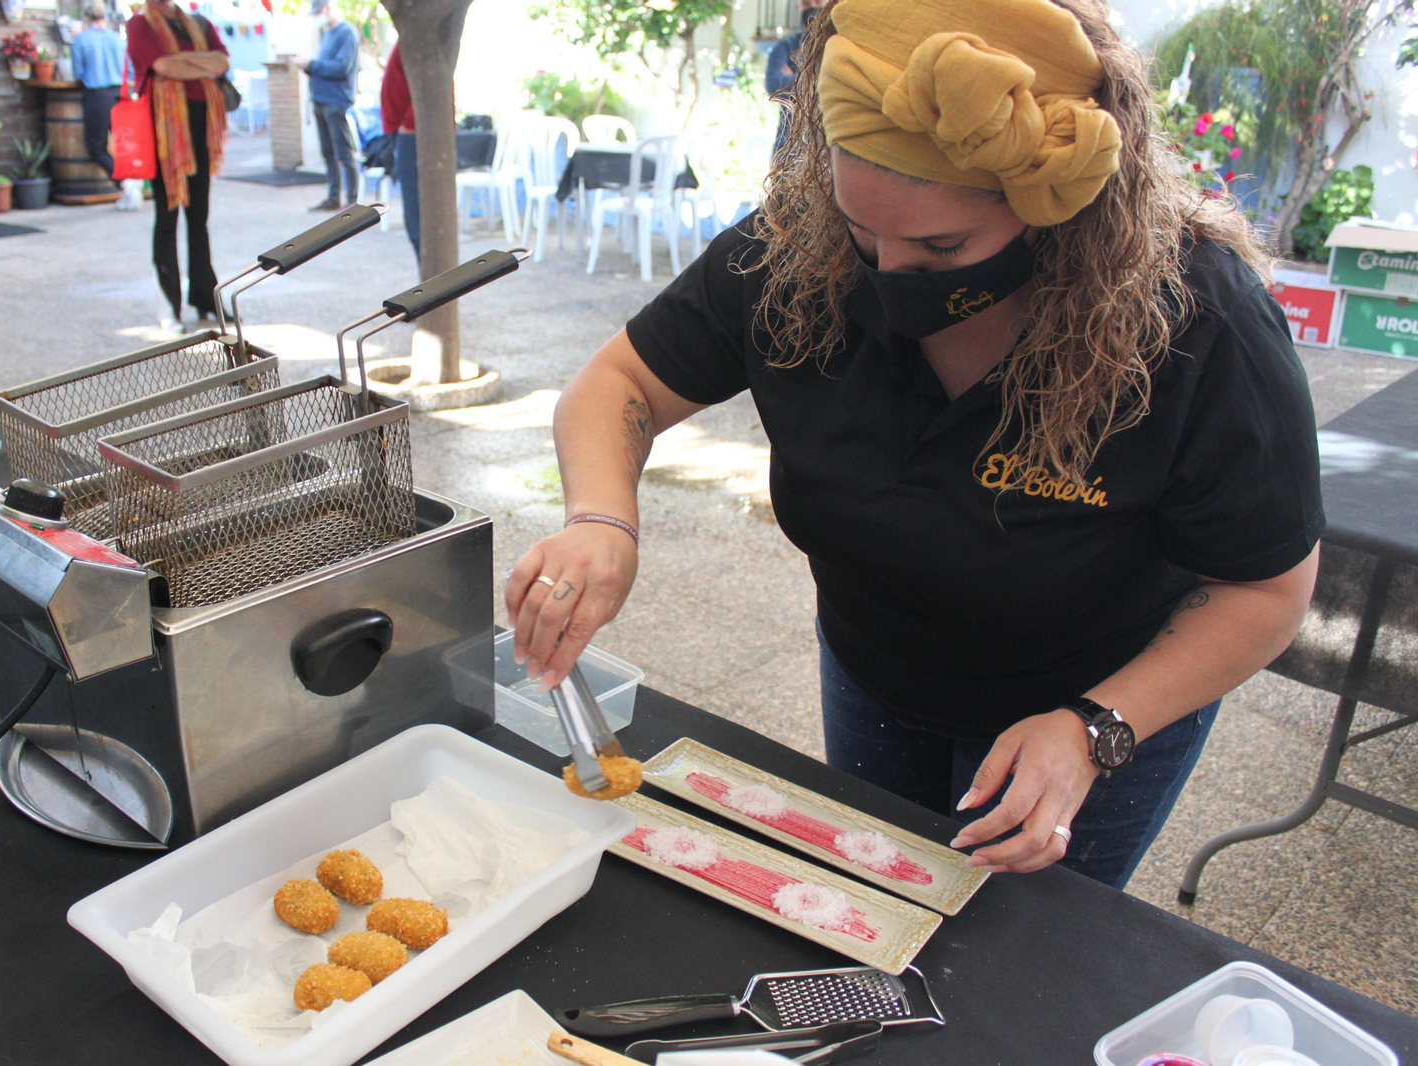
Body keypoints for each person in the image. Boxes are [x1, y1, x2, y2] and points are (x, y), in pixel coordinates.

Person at [505, 0, 1323, 891]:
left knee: (1020, 958)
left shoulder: (1200, 322)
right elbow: (618, 384)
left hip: (1098, 696)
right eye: (865, 232)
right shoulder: (793, 256)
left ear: (1055, 206)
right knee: (871, 900)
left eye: (941, 246)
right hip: (876, 670)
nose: (892, 275)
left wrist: (1098, 728)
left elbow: (1268, 588)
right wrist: (601, 519)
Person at [126, 0, 229, 329]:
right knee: (167, 215)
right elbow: (163, 67)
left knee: (199, 216)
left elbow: (223, 62)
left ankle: (204, 297)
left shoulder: (197, 22)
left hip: (200, 128)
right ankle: (168, 307)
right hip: (164, 134)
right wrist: (201, 65)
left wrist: (184, 60)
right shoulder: (139, 24)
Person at [298, 0, 359, 211]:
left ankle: (352, 200)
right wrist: (309, 68)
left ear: (328, 7)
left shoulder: (347, 33)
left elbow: (342, 67)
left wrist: (311, 65)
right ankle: (333, 197)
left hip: (336, 101)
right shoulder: (327, 33)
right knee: (328, 152)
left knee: (343, 152)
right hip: (320, 100)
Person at [71, 1, 124, 185]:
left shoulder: (81, 39)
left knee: (96, 147)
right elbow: (129, 69)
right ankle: (130, 181)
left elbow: (78, 73)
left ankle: (124, 181)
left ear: (86, 17)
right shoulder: (117, 39)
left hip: (97, 96)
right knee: (123, 144)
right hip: (120, 94)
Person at [765, 0, 823, 154]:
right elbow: (774, 85)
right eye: (806, 3)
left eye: (817, 1)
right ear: (799, 7)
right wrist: (816, 82)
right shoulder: (785, 47)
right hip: (787, 148)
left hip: (824, 150)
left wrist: (795, 78)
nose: (812, 7)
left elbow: (834, 90)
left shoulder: (836, 48)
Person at [379, 41, 419, 259]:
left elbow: (430, 87)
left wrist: (409, 125)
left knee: (418, 219)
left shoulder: (420, 37)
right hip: (403, 131)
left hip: (412, 134)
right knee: (414, 217)